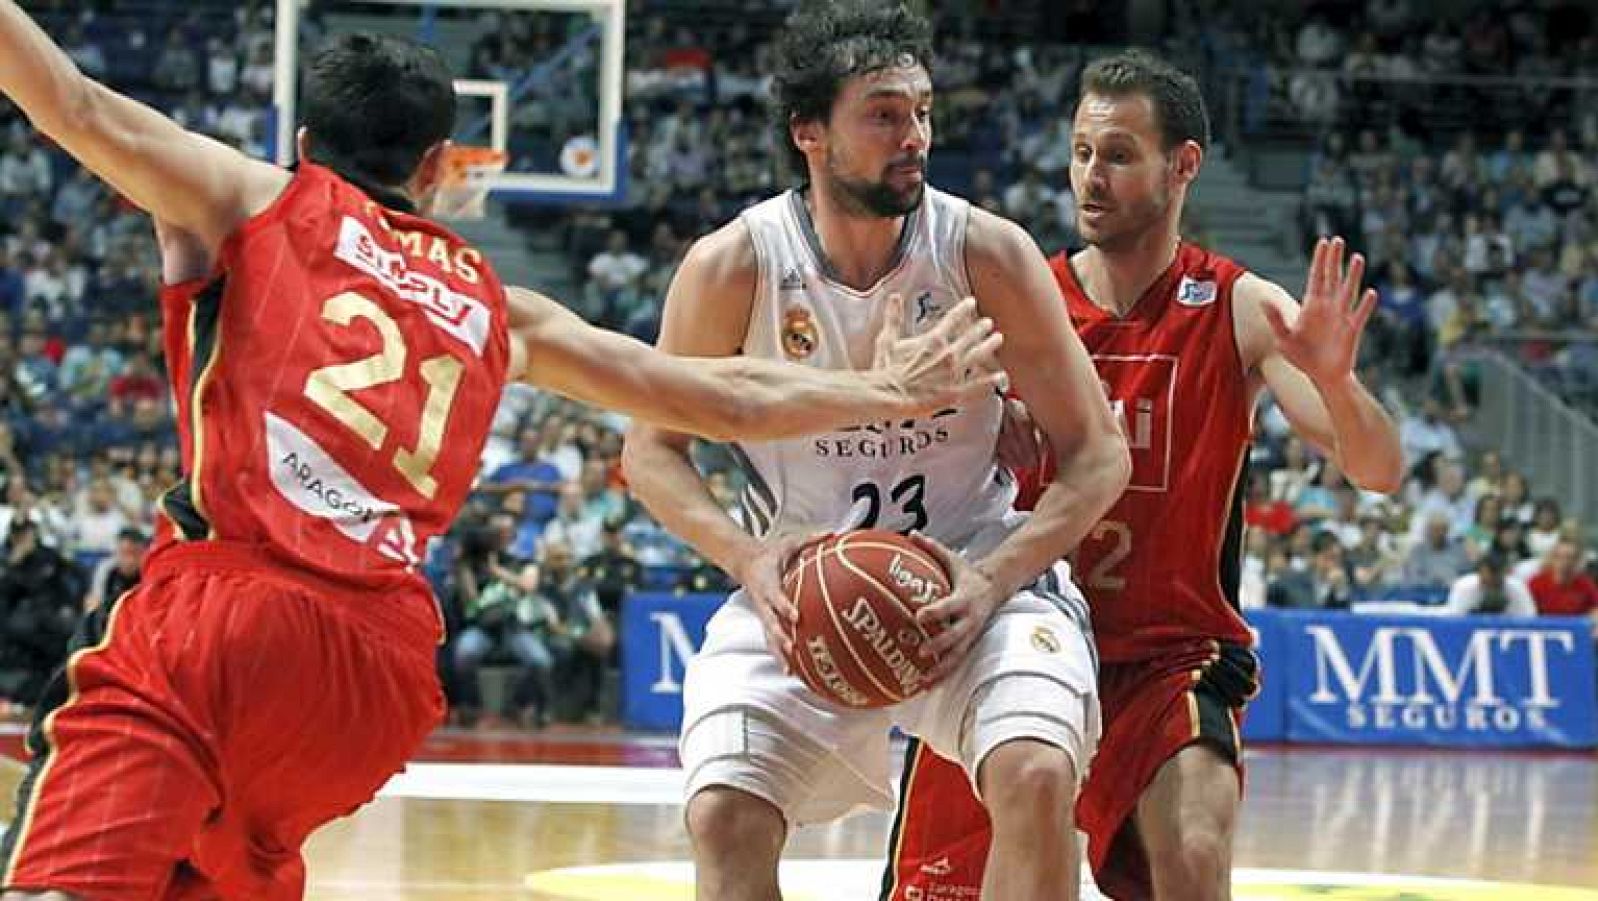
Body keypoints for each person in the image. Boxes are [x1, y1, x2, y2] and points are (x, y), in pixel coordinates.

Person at [0, 5, 1004, 898]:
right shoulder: (501, 306)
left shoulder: (256, 199)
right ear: (440, 166)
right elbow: (712, 391)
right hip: (378, 676)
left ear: (303, 142)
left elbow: (70, 102)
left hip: (229, 614)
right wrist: (884, 386)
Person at [622, 5, 1130, 900]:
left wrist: (993, 577)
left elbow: (1099, 457)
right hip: (806, 588)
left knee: (1038, 773)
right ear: (808, 132)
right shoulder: (734, 266)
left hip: (976, 573)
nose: (915, 137)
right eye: (885, 114)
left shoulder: (986, 254)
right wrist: (748, 556)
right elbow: (652, 453)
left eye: (923, 112)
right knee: (724, 815)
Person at [885, 50, 1404, 901]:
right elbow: (916, 441)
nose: (1093, 175)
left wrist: (1340, 383)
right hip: (1018, 638)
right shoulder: (1022, 300)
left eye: (1120, 154)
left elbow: (1377, 470)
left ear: (1184, 166)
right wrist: (975, 420)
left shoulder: (1238, 305)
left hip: (1169, 657)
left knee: (1194, 854)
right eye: (1084, 151)